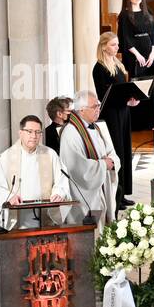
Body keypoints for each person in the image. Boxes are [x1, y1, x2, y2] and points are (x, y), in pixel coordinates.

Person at [0, 115, 69, 230]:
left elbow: (62, 179)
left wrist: (58, 193)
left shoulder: (50, 155)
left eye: (37, 132)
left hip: (44, 217)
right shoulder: (6, 158)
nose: (34, 136)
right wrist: (8, 197)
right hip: (19, 220)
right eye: (29, 131)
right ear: (20, 133)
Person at [58, 91, 121, 226]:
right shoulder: (71, 133)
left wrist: (113, 162)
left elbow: (111, 152)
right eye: (94, 106)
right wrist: (104, 164)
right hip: (84, 195)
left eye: (98, 105)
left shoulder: (96, 127)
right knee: (91, 232)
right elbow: (78, 168)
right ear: (81, 110)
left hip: (101, 187)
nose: (98, 109)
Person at [92, 31, 137, 209]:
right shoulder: (99, 68)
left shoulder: (117, 63)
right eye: (113, 45)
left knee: (125, 150)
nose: (117, 47)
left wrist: (132, 97)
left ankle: (124, 192)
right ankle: (115, 195)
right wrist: (124, 98)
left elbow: (123, 87)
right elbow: (104, 95)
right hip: (111, 114)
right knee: (116, 151)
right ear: (103, 46)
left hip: (123, 111)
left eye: (117, 44)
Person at [116, 0, 154, 93]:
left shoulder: (148, 12)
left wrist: (153, 53)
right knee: (138, 83)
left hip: (148, 51)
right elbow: (125, 37)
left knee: (151, 80)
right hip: (133, 54)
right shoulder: (125, 15)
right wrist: (137, 55)